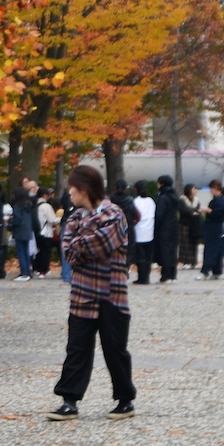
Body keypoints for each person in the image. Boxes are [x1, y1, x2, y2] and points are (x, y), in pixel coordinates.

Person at [46, 165, 136, 422]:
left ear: (84, 190)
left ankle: (125, 400)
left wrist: (80, 242)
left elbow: (102, 243)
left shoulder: (114, 213)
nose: (70, 194)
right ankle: (69, 401)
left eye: (73, 189)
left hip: (112, 293)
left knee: (115, 349)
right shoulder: (75, 216)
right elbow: (68, 252)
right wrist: (83, 242)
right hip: (82, 293)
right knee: (77, 348)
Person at [197, 180, 224, 280]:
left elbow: (219, 213)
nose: (210, 191)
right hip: (214, 227)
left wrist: (208, 210)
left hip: (214, 227)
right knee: (217, 249)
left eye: (211, 188)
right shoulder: (218, 200)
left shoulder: (220, 200)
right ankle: (217, 271)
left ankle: (206, 271)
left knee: (210, 249)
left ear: (216, 188)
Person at [109, 179, 139, 271]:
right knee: (128, 251)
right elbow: (135, 214)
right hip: (128, 228)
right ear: (126, 188)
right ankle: (126, 269)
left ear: (115, 188)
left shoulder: (110, 200)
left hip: (113, 229)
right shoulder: (130, 200)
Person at [154, 175, 179, 283]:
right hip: (174, 227)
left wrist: (156, 226)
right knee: (172, 251)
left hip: (164, 228)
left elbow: (159, 214)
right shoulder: (174, 196)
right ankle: (173, 275)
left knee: (164, 251)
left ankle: (166, 275)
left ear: (162, 184)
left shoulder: (162, 197)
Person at [132, 181, 156, 285]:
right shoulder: (151, 201)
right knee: (148, 257)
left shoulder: (135, 201)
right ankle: (147, 276)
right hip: (149, 231)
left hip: (138, 231)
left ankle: (142, 277)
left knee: (140, 257)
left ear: (135, 190)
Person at [10, 187, 35, 282]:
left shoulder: (17, 207)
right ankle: (28, 271)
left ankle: (24, 273)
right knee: (26, 252)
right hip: (27, 230)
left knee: (21, 252)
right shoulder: (28, 206)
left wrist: (10, 221)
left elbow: (17, 220)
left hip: (20, 231)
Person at [34, 188, 60, 278]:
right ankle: (43, 270)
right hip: (46, 232)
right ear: (45, 195)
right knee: (46, 252)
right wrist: (61, 219)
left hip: (37, 232)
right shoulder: (46, 206)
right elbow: (52, 220)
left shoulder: (34, 205)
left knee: (38, 252)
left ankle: (36, 269)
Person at [178, 184, 202, 269]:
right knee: (185, 243)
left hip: (194, 224)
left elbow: (198, 210)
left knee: (193, 243)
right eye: (193, 189)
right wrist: (192, 212)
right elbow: (183, 210)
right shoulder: (182, 199)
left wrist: (193, 212)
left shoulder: (196, 200)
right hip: (184, 224)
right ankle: (185, 262)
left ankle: (193, 262)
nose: (195, 190)